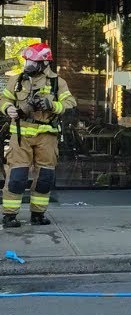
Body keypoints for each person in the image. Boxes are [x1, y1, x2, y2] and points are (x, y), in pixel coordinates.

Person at [2, 43, 76, 228]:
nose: (28, 65)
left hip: (47, 136)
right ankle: (10, 215)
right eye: (27, 61)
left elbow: (71, 103)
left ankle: (38, 214)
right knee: (17, 177)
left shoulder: (57, 82)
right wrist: (9, 108)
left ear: (44, 63)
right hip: (20, 136)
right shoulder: (16, 79)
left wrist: (52, 105)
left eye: (33, 62)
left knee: (44, 177)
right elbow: (3, 99)